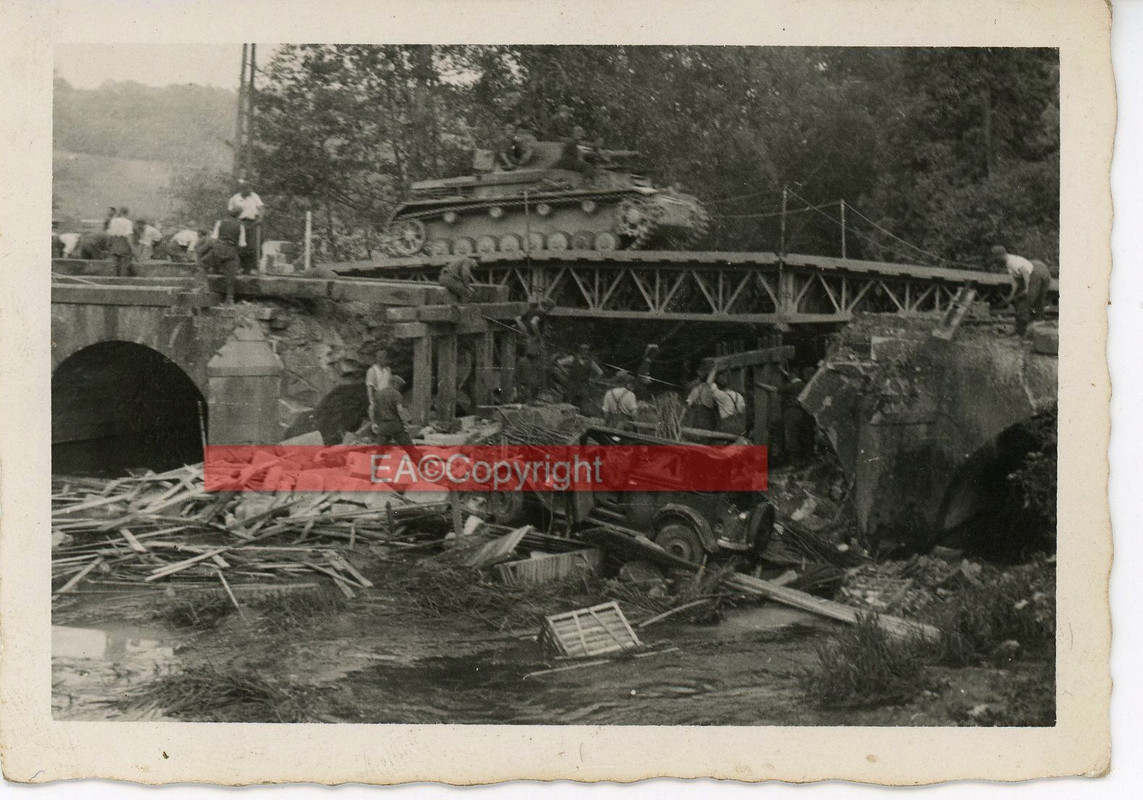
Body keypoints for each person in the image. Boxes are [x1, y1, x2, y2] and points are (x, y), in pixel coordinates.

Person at [991, 245, 1051, 335]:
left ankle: (1020, 333)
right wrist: (1012, 295)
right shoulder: (1009, 263)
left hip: (1034, 274)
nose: (995, 261)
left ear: (999, 255)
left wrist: (1026, 288)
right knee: (1033, 302)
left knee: (1024, 303)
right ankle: (1030, 329)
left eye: (995, 258)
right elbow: (1015, 281)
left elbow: (1025, 271)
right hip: (1038, 272)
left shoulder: (1011, 261)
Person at [206, 209, 246, 303]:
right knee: (231, 275)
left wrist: (213, 249)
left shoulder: (220, 222)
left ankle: (204, 288)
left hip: (219, 248)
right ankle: (230, 298)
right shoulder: (240, 225)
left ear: (227, 214)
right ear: (238, 216)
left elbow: (214, 238)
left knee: (205, 263)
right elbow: (242, 244)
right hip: (231, 250)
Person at [556, 343, 604, 416]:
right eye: (582, 350)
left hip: (583, 385)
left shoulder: (591, 362)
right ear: (579, 351)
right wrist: (564, 371)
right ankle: (565, 416)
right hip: (573, 383)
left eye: (586, 350)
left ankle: (582, 418)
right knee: (568, 400)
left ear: (588, 352)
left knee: (584, 403)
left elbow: (600, 373)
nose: (584, 352)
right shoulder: (572, 358)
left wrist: (593, 381)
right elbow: (559, 363)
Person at [228, 180, 265, 273]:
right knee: (241, 245)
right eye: (248, 189)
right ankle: (242, 267)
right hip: (240, 222)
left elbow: (261, 208)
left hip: (253, 222)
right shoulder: (235, 198)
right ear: (242, 189)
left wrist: (260, 218)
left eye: (250, 188)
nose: (250, 191)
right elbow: (229, 211)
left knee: (254, 245)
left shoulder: (254, 196)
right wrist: (235, 211)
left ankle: (253, 268)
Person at [371, 375, 412, 446]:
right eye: (399, 385)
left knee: (381, 450)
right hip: (395, 425)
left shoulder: (378, 394)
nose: (399, 388)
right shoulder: (396, 394)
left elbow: (371, 409)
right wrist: (406, 424)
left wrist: (373, 423)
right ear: (394, 383)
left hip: (382, 426)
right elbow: (400, 411)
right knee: (409, 448)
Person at [684, 359, 718, 431]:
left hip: (701, 418)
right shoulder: (707, 387)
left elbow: (688, 403)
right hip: (708, 418)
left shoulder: (698, 388)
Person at [106, 207, 136, 277]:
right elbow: (129, 236)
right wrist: (132, 249)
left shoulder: (113, 221)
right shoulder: (128, 222)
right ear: (127, 213)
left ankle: (114, 280)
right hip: (124, 244)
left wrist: (109, 245)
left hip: (115, 244)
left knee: (114, 266)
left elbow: (110, 235)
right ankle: (123, 280)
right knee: (124, 266)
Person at [365, 351, 392, 423]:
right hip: (378, 396)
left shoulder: (388, 369)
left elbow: (390, 383)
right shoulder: (372, 370)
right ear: (379, 359)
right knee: (376, 414)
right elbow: (369, 387)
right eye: (384, 359)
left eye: (386, 358)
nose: (386, 361)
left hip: (387, 396)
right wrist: (371, 401)